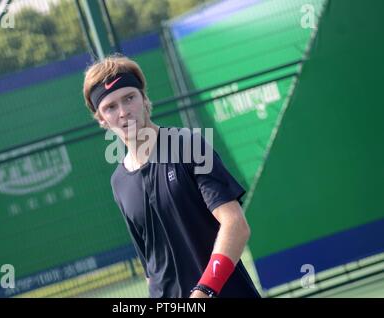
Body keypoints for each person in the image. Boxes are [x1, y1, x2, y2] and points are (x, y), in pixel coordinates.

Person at [83, 54, 260, 298]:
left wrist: (204, 291)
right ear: (101, 120)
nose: (123, 112)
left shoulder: (188, 145)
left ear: (144, 100)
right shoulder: (119, 183)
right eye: (111, 107)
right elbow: (151, 269)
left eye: (129, 98)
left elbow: (236, 225)